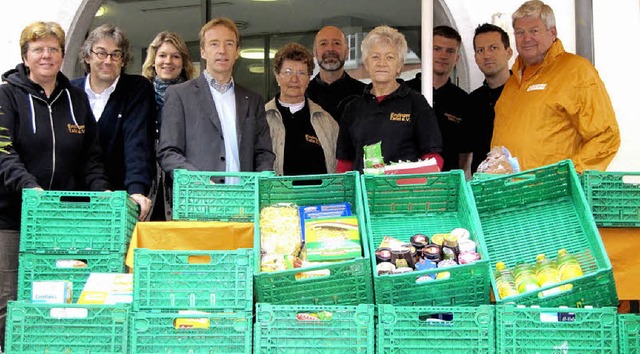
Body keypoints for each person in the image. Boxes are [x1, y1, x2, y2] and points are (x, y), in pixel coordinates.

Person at [0, 21, 110, 346]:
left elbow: (90, 156)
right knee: (9, 299)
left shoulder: (76, 99)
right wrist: (29, 187)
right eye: (38, 49)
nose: (46, 55)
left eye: (53, 49)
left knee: (57, 297)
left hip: (61, 221)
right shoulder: (7, 96)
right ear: (26, 56)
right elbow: (3, 150)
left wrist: (101, 188)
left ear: (63, 55)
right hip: (12, 218)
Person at [492, 0, 620, 172]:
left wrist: (567, 176)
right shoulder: (513, 80)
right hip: (509, 192)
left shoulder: (576, 71)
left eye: (534, 31)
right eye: (520, 32)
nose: (526, 38)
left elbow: (605, 136)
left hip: (552, 194)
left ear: (552, 33)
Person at [157, 17, 274, 184]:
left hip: (244, 203)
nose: (222, 50)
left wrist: (259, 183)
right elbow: (168, 152)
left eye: (229, 44)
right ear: (203, 51)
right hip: (199, 203)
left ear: (237, 52)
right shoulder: (179, 95)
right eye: (214, 44)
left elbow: (264, 153)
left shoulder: (253, 100)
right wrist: (199, 182)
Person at [72, 23, 155, 220]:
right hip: (73, 199)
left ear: (123, 60)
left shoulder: (136, 89)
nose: (108, 60)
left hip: (119, 201)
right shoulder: (70, 91)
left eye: (116, 54)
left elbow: (137, 142)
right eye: (101, 53)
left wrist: (136, 190)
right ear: (87, 56)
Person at [336, 25, 443, 173]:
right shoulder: (352, 108)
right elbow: (344, 163)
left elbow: (433, 158)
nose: (381, 63)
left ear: (399, 65)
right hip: (363, 194)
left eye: (389, 57)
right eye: (375, 57)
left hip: (403, 193)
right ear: (366, 63)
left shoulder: (416, 103)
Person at [141, 31, 197, 220]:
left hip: (181, 182)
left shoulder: (194, 97)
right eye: (162, 55)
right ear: (153, 60)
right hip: (147, 182)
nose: (168, 61)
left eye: (175, 56)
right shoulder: (140, 95)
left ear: (183, 62)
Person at [408, 25, 473, 178]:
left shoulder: (464, 101)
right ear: (425, 52)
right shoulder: (404, 93)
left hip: (446, 187)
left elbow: (464, 154)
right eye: (436, 49)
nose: (443, 55)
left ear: (457, 58)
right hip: (406, 184)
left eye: (450, 51)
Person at [265, 43, 338, 176]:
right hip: (277, 196)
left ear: (309, 79)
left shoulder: (326, 121)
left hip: (318, 196)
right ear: (277, 76)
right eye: (288, 72)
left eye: (301, 73)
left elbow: (338, 168)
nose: (294, 79)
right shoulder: (262, 119)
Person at [469, 23, 513, 173]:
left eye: (493, 48)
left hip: (520, 183)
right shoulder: (472, 101)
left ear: (509, 52)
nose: (487, 55)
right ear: (475, 57)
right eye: (480, 50)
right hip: (481, 188)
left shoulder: (525, 93)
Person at [306, 25, 365, 123]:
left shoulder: (364, 95)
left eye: (337, 43)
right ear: (315, 53)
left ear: (347, 52)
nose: (330, 49)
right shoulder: (302, 95)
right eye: (323, 44)